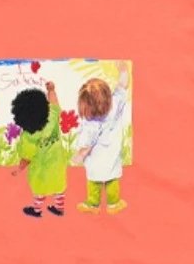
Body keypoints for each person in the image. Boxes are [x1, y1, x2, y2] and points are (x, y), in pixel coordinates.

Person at [73, 63, 130, 214]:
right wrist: (123, 71)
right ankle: (113, 204)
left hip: (95, 161)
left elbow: (86, 146)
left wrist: (79, 156)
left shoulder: (90, 125)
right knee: (112, 180)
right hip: (112, 156)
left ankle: (93, 205)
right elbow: (122, 86)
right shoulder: (115, 104)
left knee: (94, 182)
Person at [10, 80, 67, 217]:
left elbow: (26, 158)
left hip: (40, 169)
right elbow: (54, 103)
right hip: (57, 163)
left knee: (39, 188)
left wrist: (19, 169)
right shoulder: (52, 116)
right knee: (59, 186)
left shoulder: (28, 137)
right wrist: (51, 90)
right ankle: (59, 208)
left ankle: (37, 210)